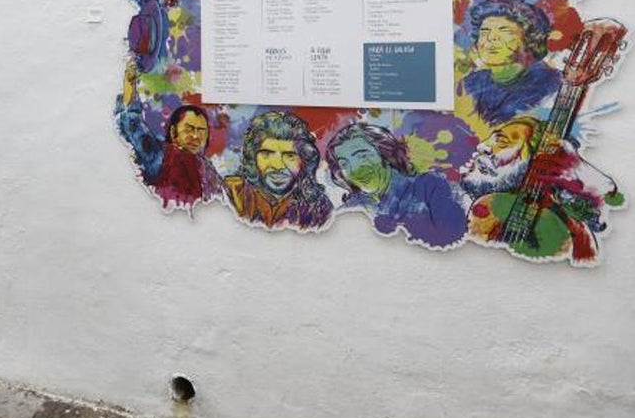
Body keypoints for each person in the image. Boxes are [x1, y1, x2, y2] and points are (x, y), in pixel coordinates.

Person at [460, 117, 619, 263]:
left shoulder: (572, 232)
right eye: (491, 139)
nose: (482, 146)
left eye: (501, 141)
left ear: (535, 162)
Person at [326, 123, 467, 248]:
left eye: (362, 156)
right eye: (344, 164)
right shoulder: (348, 212)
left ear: (386, 154)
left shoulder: (430, 187)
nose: (355, 170)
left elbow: (457, 242)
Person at [115, 64, 225, 212]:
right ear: (173, 132)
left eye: (201, 131)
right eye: (189, 129)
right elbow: (131, 123)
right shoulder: (158, 155)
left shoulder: (208, 171)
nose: (195, 136)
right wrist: (129, 84)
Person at [458, 0, 560, 125]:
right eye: (484, 31)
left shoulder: (551, 84)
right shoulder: (471, 84)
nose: (491, 38)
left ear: (529, 39)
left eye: (504, 31)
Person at [223, 111, 333, 231]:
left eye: (289, 155)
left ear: (304, 160)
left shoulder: (317, 207)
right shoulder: (232, 192)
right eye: (266, 154)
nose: (277, 165)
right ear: (253, 158)